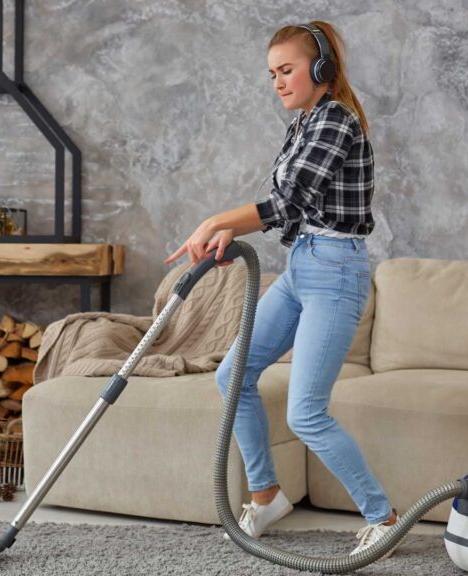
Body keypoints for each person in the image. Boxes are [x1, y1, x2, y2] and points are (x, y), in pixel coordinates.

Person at [165, 21, 399, 557]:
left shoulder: (336, 121)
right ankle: (267, 494)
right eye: (272, 73)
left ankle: (382, 517)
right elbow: (284, 209)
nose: (277, 82)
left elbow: (288, 200)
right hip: (302, 266)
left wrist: (214, 220)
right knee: (233, 374)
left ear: (321, 70)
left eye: (287, 69)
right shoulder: (304, 124)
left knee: (306, 414)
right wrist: (228, 228)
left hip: (336, 270)